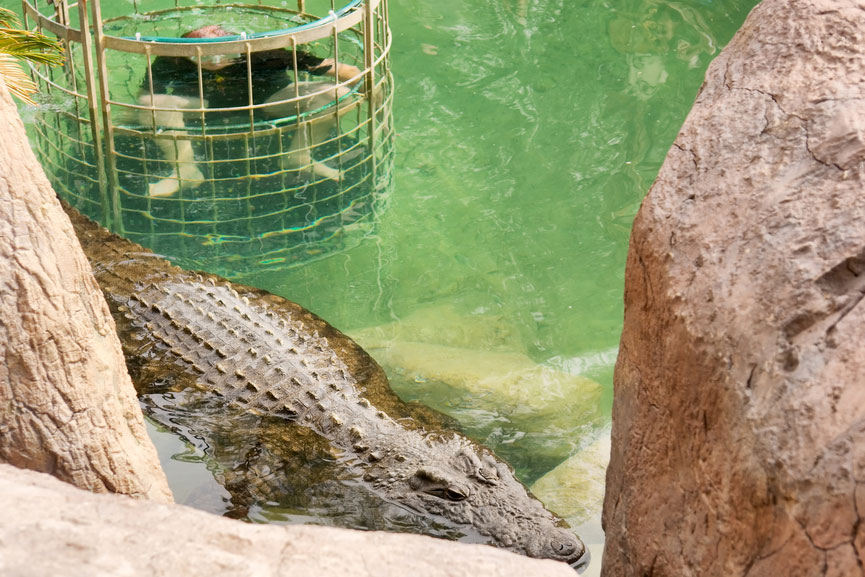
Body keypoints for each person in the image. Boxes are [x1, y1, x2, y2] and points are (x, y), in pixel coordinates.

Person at [138, 25, 363, 197]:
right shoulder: (174, 57)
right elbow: (146, 94)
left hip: (269, 101)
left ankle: (298, 156)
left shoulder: (261, 53)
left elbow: (345, 70)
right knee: (151, 102)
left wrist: (370, 89)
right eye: (200, 56)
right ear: (187, 51)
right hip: (205, 106)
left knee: (337, 94)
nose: (211, 61)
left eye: (219, 54)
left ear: (235, 46)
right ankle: (185, 171)